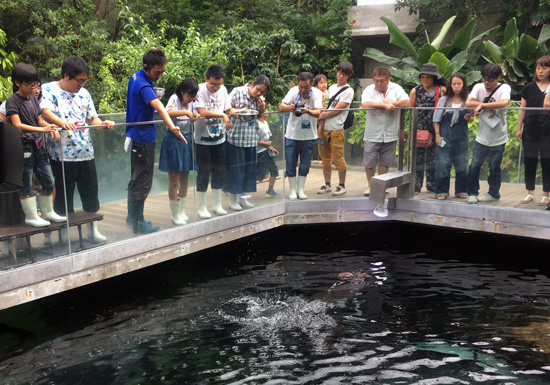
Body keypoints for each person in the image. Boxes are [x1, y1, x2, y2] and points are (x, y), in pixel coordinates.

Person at [41, 56, 115, 241]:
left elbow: (93, 119)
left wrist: (103, 124)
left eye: (84, 80)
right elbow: (46, 112)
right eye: (79, 80)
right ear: (66, 76)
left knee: (90, 193)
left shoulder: (85, 94)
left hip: (85, 152)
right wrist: (62, 123)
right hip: (61, 155)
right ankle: (63, 235)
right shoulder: (49, 89)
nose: (82, 84)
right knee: (63, 197)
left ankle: (93, 230)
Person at [126, 49, 185, 233]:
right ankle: (138, 224)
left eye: (162, 72)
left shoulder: (135, 77)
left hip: (135, 135)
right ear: (146, 67)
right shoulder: (144, 86)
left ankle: (133, 218)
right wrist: (173, 127)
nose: (159, 76)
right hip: (143, 138)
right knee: (143, 180)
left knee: (136, 177)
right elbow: (160, 107)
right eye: (156, 72)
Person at [5, 62, 64, 227]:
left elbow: (39, 119)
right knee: (26, 183)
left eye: (35, 83)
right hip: (23, 147)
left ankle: (47, 212)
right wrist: (42, 129)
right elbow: (17, 125)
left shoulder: (33, 99)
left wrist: (49, 127)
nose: (33, 87)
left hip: (39, 145)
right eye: (29, 84)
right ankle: (31, 216)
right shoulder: (12, 101)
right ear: (17, 83)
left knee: (49, 180)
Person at [465, 63, 511, 204]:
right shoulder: (478, 87)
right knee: (474, 165)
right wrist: (482, 105)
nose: (486, 83)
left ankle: (493, 193)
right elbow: (468, 103)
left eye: (490, 80)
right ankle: (472, 193)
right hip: (482, 136)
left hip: (499, 136)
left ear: (498, 77)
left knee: (494, 167)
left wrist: (482, 105)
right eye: (484, 79)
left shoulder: (504, 87)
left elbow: (504, 103)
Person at [361, 66, 409, 196]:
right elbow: (365, 104)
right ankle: (371, 186)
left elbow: (407, 101)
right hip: (372, 132)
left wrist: (393, 103)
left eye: (382, 81)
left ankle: (381, 186)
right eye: (376, 81)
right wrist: (383, 105)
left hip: (390, 131)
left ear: (388, 80)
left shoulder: (396, 88)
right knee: (369, 160)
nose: (379, 84)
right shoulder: (369, 89)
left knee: (385, 161)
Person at [194, 65, 234, 219]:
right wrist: (223, 116)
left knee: (219, 170)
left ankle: (217, 205)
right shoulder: (199, 90)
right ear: (205, 79)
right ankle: (202, 207)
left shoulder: (222, 90)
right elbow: (202, 112)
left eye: (219, 84)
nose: (216, 88)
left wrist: (241, 113)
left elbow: (228, 109)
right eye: (213, 84)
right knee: (204, 171)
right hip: (203, 139)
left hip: (220, 138)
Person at [159, 77, 200, 226]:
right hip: (173, 139)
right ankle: (175, 214)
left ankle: (181, 211)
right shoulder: (174, 98)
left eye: (193, 96)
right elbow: (167, 112)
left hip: (186, 139)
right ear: (182, 91)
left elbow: (191, 116)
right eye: (189, 95)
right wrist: (185, 112)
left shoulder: (191, 103)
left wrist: (194, 116)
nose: (191, 99)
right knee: (174, 178)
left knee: (185, 176)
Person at [225, 75, 269, 210]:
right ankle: (232, 200)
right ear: (252, 84)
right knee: (235, 170)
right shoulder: (237, 92)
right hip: (235, 138)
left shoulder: (259, 99)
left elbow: (262, 114)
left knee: (247, 171)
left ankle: (243, 199)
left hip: (251, 138)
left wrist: (261, 108)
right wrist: (239, 111)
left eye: (262, 92)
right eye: (258, 89)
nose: (259, 93)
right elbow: (226, 109)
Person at [279, 72, 322, 199]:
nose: (303, 90)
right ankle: (292, 190)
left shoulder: (317, 93)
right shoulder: (293, 91)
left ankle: (300, 190)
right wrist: (290, 107)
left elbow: (318, 112)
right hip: (292, 135)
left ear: (311, 84)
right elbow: (281, 107)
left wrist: (308, 111)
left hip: (309, 136)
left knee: (305, 164)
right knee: (290, 163)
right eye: (301, 87)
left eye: (306, 87)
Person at [433, 73, 474, 200]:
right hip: (445, 138)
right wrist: (437, 136)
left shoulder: (468, 99)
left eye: (459, 84)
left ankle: (462, 190)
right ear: (450, 85)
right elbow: (436, 119)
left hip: (462, 139)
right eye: (454, 83)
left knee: (462, 164)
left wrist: (469, 118)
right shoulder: (444, 100)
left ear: (464, 85)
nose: (456, 86)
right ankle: (441, 191)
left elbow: (472, 118)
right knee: (443, 165)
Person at [317, 61, 355, 196]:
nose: (341, 76)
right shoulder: (331, 88)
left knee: (338, 158)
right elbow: (326, 106)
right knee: (325, 158)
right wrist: (321, 120)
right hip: (324, 128)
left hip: (337, 128)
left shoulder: (349, 90)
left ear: (348, 75)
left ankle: (341, 185)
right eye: (339, 72)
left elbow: (337, 110)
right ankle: (327, 184)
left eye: (344, 74)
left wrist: (320, 115)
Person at [516, 56, 550, 206]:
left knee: (547, 161)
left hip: (548, 128)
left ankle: (546, 194)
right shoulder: (529, 87)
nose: (540, 71)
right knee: (529, 160)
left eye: (544, 68)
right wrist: (518, 128)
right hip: (530, 127)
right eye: (538, 68)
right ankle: (530, 192)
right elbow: (522, 109)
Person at [409, 62, 446, 194]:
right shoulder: (415, 91)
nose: (425, 80)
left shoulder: (441, 90)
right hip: (419, 130)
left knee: (434, 159)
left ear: (434, 78)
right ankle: (416, 186)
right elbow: (411, 110)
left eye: (428, 77)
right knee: (417, 159)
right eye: (423, 77)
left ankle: (432, 185)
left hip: (435, 129)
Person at [256, 110, 280, 198]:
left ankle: (270, 190)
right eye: (266, 110)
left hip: (267, 151)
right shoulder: (256, 124)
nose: (268, 112)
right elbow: (253, 139)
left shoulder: (265, 123)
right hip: (259, 152)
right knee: (259, 175)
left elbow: (267, 139)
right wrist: (265, 144)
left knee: (273, 170)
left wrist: (273, 149)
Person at [314, 74, 329, 141]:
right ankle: (319, 137)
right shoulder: (317, 92)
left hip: (327, 110)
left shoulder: (328, 91)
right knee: (321, 123)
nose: (323, 84)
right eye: (321, 83)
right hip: (320, 110)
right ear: (317, 85)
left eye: (325, 82)